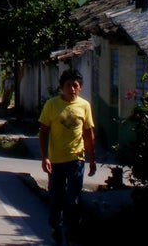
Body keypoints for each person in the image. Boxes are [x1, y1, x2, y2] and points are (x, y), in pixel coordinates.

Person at [38, 69, 96, 246]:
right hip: (55, 161)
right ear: (61, 87)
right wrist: (44, 157)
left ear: (80, 88)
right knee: (56, 197)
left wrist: (92, 158)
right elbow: (43, 131)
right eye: (68, 85)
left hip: (76, 159)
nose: (72, 88)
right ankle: (55, 227)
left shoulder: (84, 106)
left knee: (74, 199)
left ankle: (72, 234)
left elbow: (88, 133)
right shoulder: (51, 105)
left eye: (75, 85)